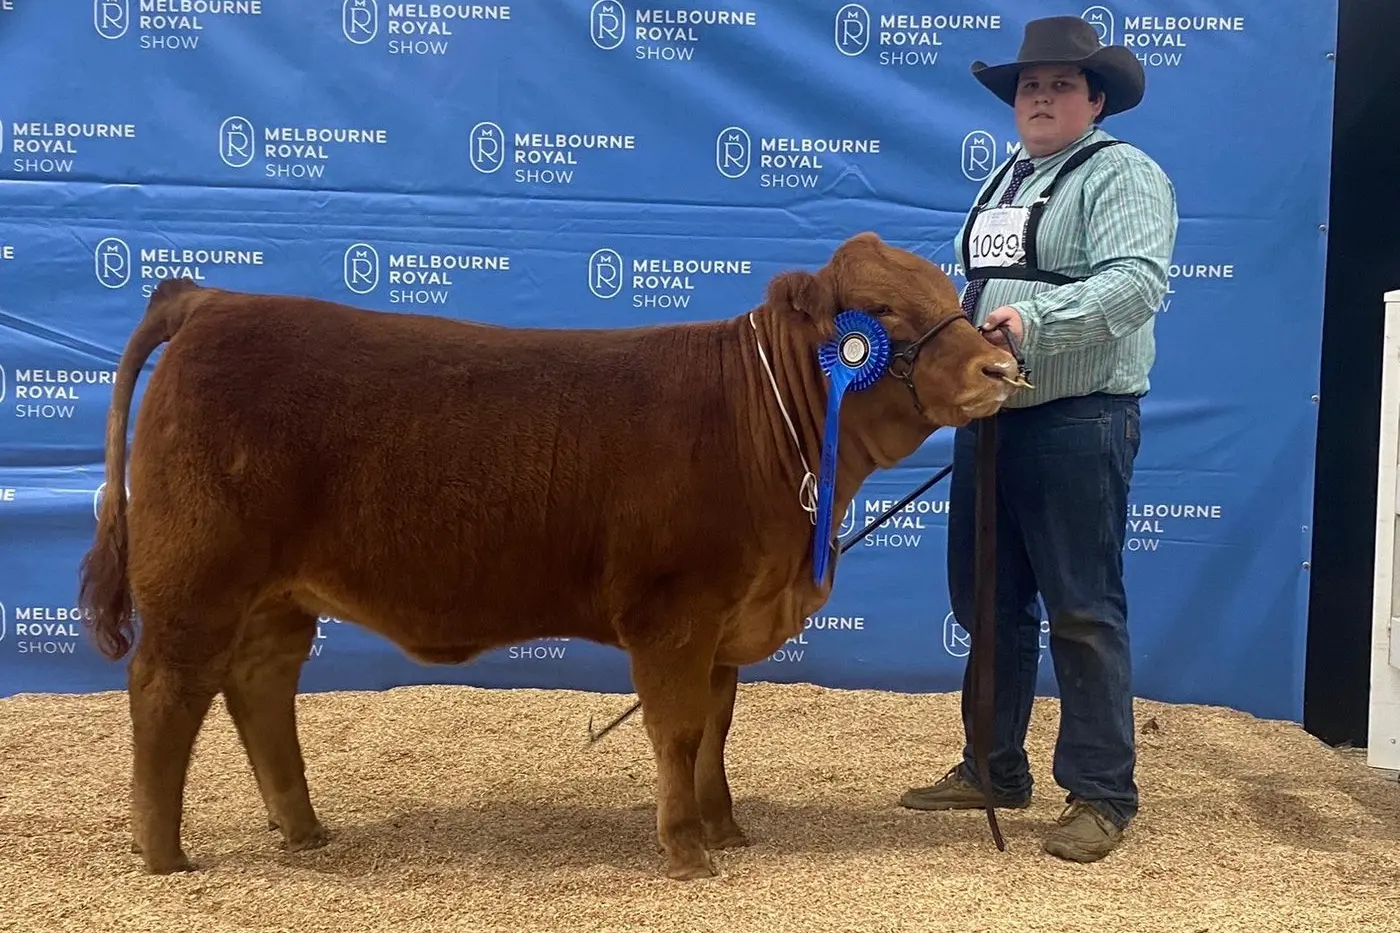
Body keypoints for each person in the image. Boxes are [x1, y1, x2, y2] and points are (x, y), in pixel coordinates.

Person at [898, 16, 1179, 863]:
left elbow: (1135, 285)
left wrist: (1036, 319)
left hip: (1076, 418)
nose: (1042, 98)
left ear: (1096, 99)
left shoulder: (1123, 173)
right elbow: (978, 287)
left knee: (1084, 612)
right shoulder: (1002, 181)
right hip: (991, 419)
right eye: (1030, 86)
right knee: (984, 603)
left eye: (1061, 85)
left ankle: (1101, 792)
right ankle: (993, 765)